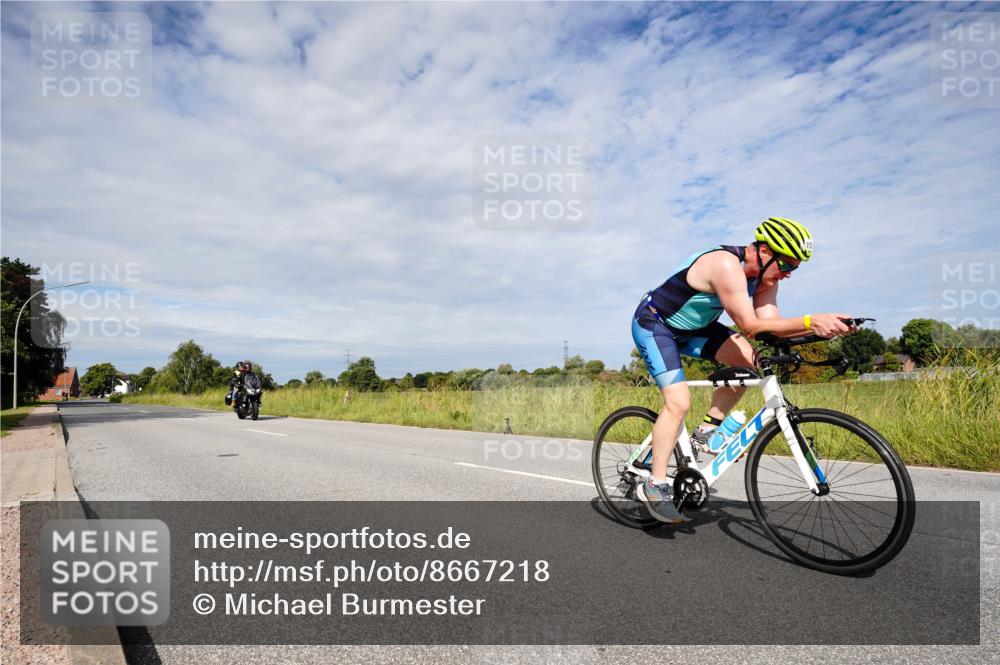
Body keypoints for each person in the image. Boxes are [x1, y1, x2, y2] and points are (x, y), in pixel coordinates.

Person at [631, 217, 858, 523]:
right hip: (655, 324)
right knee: (679, 402)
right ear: (764, 252)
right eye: (787, 265)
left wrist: (824, 330)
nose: (788, 274)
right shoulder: (726, 265)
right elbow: (751, 325)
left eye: (795, 268)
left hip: (698, 329)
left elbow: (771, 329)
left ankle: (706, 432)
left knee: (755, 364)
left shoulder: (767, 279)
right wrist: (809, 320)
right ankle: (655, 484)